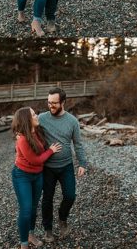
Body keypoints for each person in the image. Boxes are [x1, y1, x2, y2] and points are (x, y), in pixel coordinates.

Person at [37, 87, 88, 242]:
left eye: (54, 103)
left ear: (63, 102)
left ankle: (62, 218)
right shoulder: (41, 118)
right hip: (47, 167)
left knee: (70, 196)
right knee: (47, 199)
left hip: (66, 166)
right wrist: (19, 133)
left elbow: (78, 144)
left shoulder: (72, 121)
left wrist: (82, 163)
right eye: (49, 102)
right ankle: (48, 230)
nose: (51, 106)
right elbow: (27, 129)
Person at [11, 106, 63, 249]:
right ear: (27, 119)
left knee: (33, 207)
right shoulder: (22, 139)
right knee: (26, 209)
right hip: (22, 176)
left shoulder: (37, 131)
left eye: (35, 113)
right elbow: (35, 160)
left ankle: (31, 234)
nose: (37, 116)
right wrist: (51, 151)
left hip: (37, 175)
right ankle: (24, 244)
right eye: (34, 114)